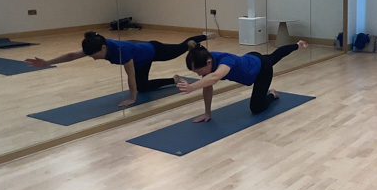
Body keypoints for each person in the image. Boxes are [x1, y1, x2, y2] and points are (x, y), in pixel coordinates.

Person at [25, 32, 212, 107]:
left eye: (94, 55)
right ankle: (174, 80)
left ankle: (199, 40)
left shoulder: (121, 52)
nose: (93, 58)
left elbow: (130, 75)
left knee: (181, 48)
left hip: (153, 50)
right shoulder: (97, 46)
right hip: (140, 57)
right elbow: (72, 55)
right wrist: (47, 62)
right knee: (144, 87)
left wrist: (132, 97)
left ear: (104, 49)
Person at [177, 40, 308, 122]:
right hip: (251, 58)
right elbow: (208, 85)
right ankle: (297, 45)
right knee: (274, 56)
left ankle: (272, 94)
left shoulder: (226, 61)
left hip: (262, 69)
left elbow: (214, 77)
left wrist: (191, 87)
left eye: (198, 71)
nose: (199, 74)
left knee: (256, 108)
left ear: (209, 62)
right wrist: (207, 113)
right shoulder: (207, 61)